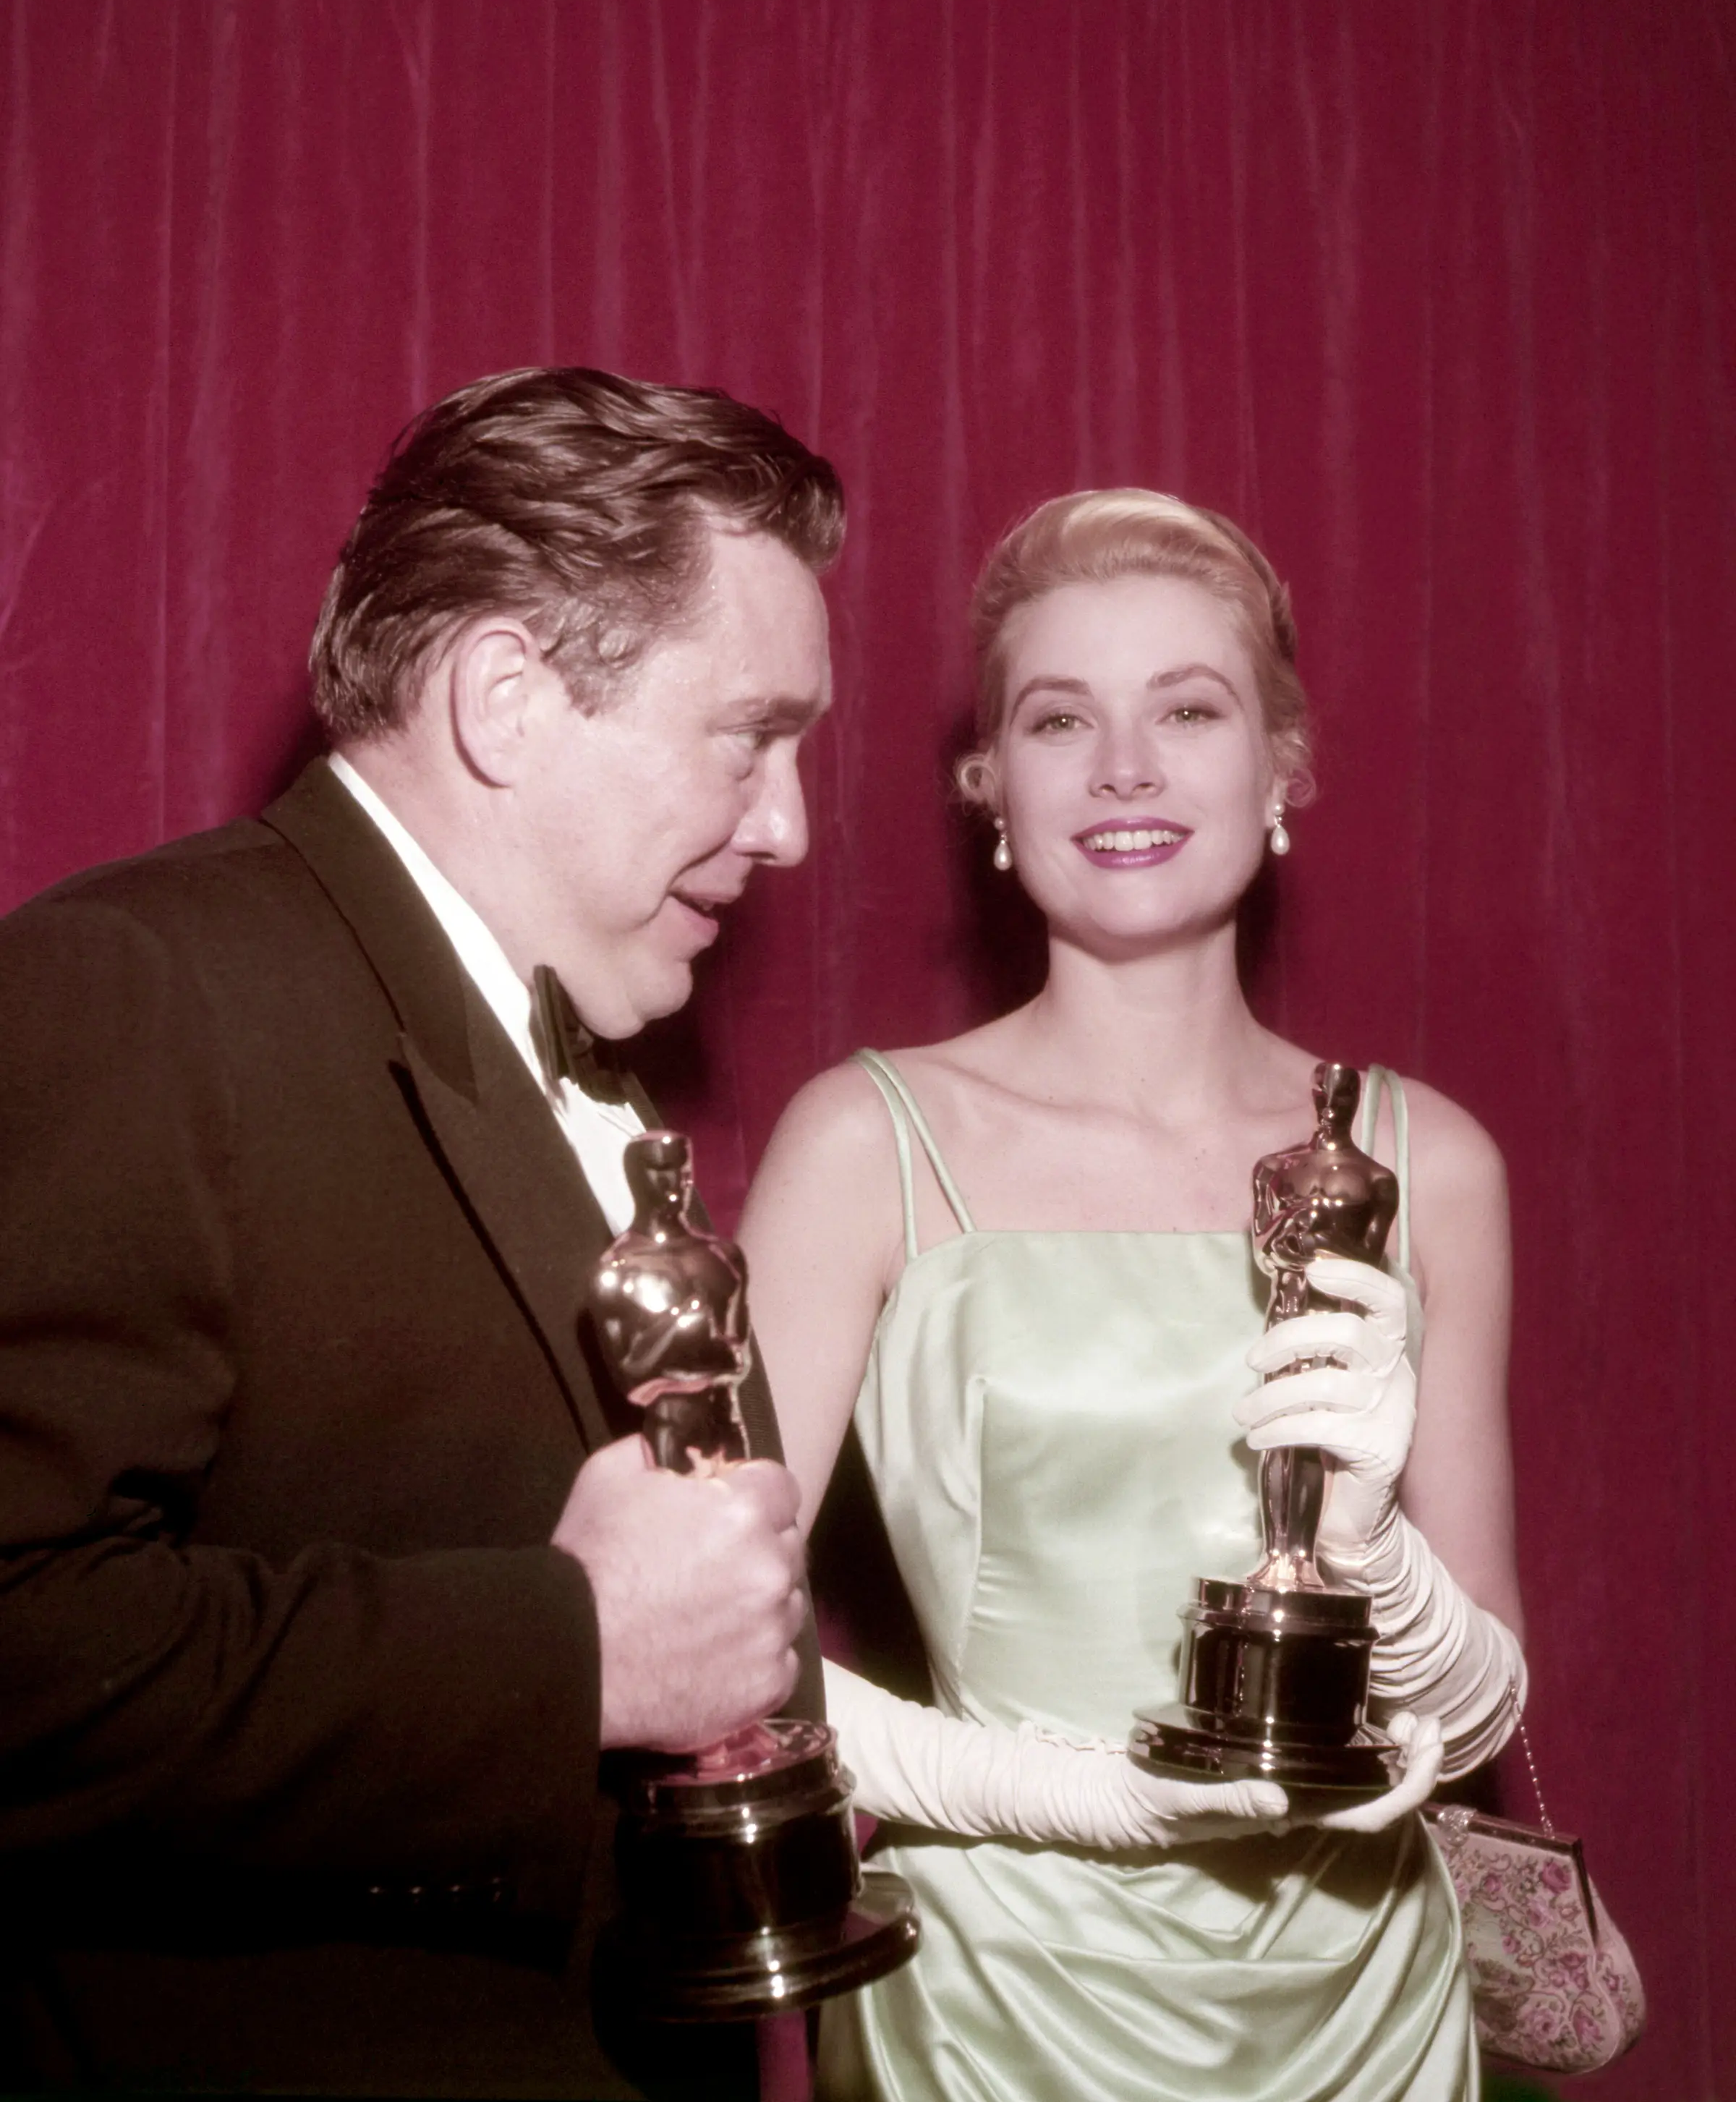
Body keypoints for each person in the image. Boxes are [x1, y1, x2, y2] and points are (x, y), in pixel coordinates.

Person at [0, 367, 840, 2098]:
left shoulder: (582, 1062)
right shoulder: (139, 986)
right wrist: (571, 1656)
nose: (788, 825)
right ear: (507, 699)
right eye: (748, 734)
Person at [739, 490, 1528, 2101]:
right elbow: (716, 1654)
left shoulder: (1425, 1161)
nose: (1124, 769)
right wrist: (1072, 1795)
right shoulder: (861, 1147)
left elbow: (1485, 1705)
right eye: (1058, 719)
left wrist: (1373, 1553)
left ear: (1281, 769)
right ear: (992, 795)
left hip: (1372, 2014)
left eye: (1188, 708)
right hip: (985, 2007)